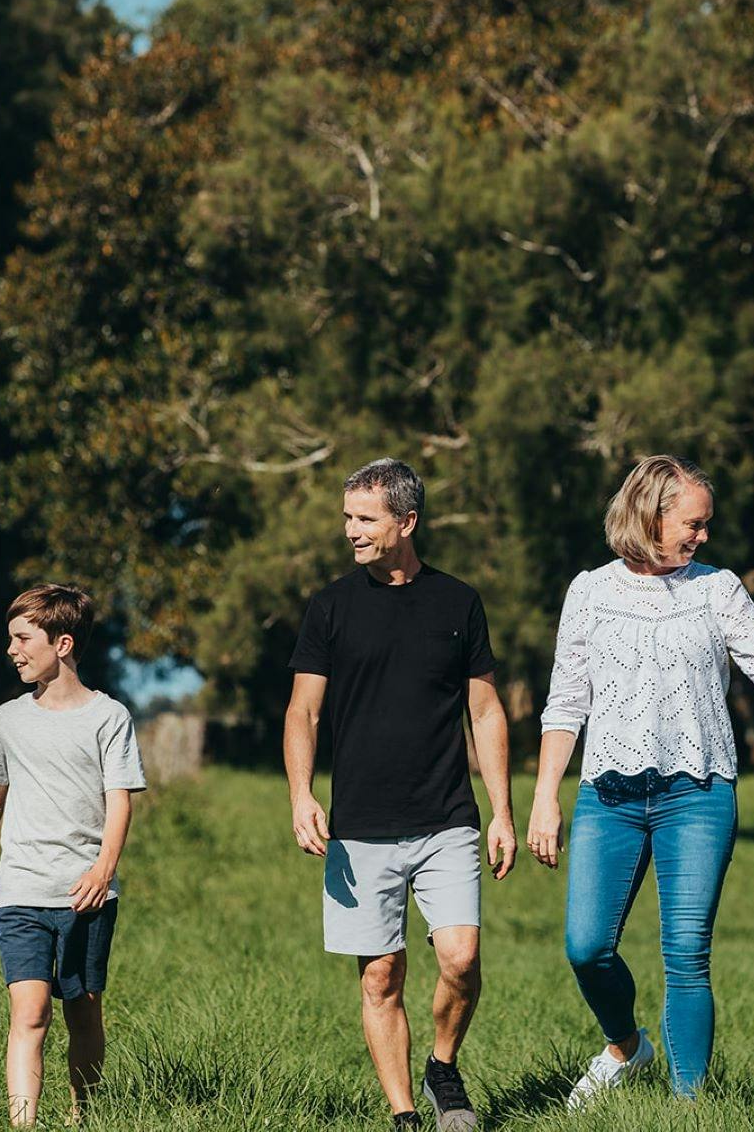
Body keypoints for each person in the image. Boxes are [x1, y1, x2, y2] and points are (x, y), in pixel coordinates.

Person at [527, 454, 754, 1106]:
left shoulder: (717, 589)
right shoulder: (590, 591)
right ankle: (625, 1046)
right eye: (692, 524)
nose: (703, 535)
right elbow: (566, 702)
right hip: (608, 795)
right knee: (586, 948)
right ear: (650, 515)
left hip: (697, 793)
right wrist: (544, 798)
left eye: (705, 524)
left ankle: (687, 1109)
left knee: (687, 954)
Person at [284, 458, 517, 1131]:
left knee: (461, 958)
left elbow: (485, 712)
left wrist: (502, 811)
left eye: (366, 518)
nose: (351, 531)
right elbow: (303, 712)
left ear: (407, 521)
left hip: (446, 816)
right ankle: (405, 1114)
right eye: (347, 518)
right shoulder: (330, 606)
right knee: (381, 976)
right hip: (359, 824)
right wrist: (301, 795)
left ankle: (442, 1065)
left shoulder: (458, 602)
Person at [0, 583, 147, 1127]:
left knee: (82, 1012)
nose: (12, 650)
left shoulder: (109, 717)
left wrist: (103, 870)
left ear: (62, 644)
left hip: (85, 893)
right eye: (10, 639)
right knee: (31, 1013)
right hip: (20, 891)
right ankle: (24, 1123)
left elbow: (119, 800)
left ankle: (82, 1114)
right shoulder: (7, 720)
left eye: (23, 638)